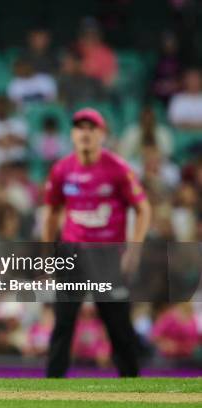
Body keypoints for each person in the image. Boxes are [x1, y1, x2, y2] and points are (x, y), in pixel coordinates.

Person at [42, 108, 151, 378]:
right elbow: (53, 211)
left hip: (107, 255)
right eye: (80, 128)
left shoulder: (118, 169)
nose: (85, 133)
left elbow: (143, 209)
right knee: (63, 323)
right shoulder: (62, 169)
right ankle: (51, 389)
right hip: (72, 253)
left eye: (92, 128)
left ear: (102, 134)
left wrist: (133, 249)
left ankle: (133, 386)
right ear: (72, 134)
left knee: (118, 325)